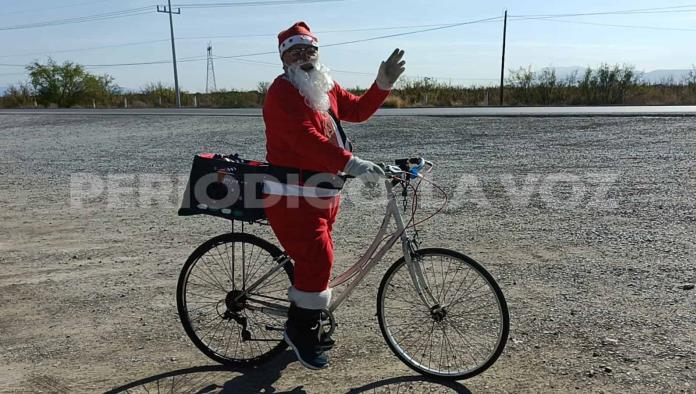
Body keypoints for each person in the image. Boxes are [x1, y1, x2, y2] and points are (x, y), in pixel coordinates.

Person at [262, 21, 405, 370]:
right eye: (295, 52)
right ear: (284, 60)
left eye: (309, 50)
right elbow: (305, 138)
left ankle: (305, 315)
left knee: (314, 263)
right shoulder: (282, 93)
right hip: (291, 197)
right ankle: (300, 331)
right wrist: (352, 163)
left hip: (324, 195)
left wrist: (382, 84)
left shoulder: (323, 86)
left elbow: (355, 110)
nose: (304, 57)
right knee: (319, 259)